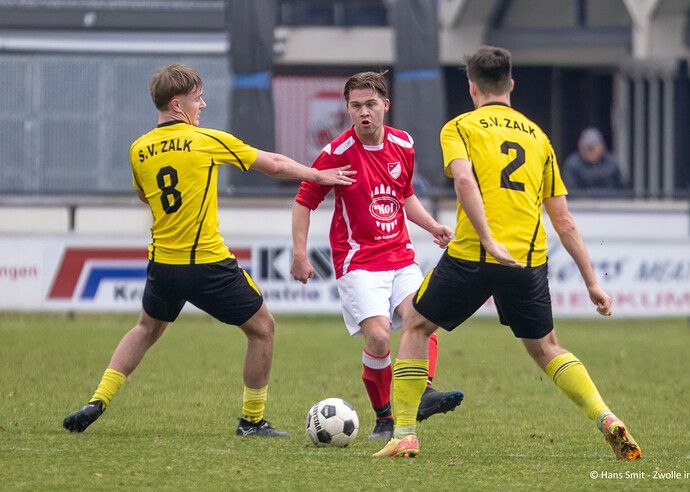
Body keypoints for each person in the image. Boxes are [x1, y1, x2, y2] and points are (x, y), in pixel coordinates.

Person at [374, 46, 642, 461]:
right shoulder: (539, 138)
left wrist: (487, 239)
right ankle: (605, 416)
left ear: (471, 86)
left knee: (415, 324)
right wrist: (592, 282)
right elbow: (564, 220)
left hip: (472, 257)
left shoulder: (460, 127)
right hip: (527, 263)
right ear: (511, 84)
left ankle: (405, 434)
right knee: (548, 347)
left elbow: (464, 180)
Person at [62, 63, 356, 437]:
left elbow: (145, 196)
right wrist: (318, 175)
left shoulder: (139, 150)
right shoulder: (206, 140)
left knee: (146, 328)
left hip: (163, 263)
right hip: (206, 263)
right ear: (176, 103)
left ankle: (98, 399)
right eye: (197, 98)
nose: (203, 104)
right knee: (263, 328)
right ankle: (252, 421)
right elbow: (275, 164)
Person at [291, 71, 464, 441]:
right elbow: (304, 201)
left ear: (385, 105)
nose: (364, 112)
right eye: (356, 106)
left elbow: (404, 197)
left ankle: (422, 392)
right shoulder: (336, 154)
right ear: (348, 109)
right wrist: (300, 253)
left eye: (371, 104)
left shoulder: (403, 143)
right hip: (358, 262)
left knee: (424, 318)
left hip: (400, 255)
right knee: (381, 338)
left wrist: (433, 227)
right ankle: (384, 416)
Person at [562, 127, 622, 194]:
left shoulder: (611, 164)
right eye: (586, 148)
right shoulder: (572, 165)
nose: (589, 152)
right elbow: (570, 191)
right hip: (581, 202)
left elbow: (620, 189)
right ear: (580, 147)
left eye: (592, 148)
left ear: (602, 147)